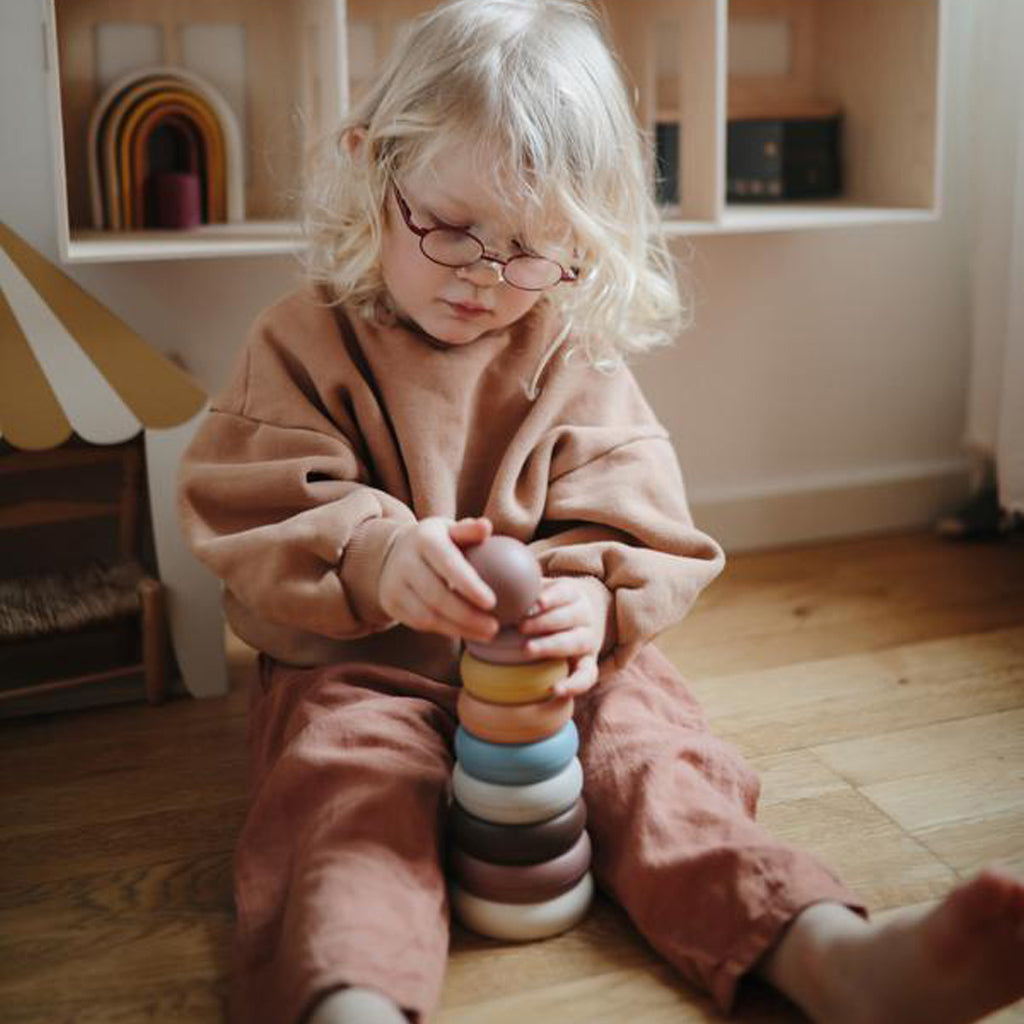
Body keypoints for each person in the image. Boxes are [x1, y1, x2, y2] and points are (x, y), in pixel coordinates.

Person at [177, 2, 1024, 1022]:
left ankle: (827, 951)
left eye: (533, 247)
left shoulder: (569, 356)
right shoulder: (300, 343)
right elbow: (251, 498)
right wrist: (377, 554)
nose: (486, 277)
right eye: (449, 228)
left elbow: (637, 518)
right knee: (342, 802)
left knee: (658, 764)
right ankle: (345, 996)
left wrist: (588, 598)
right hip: (362, 670)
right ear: (370, 167)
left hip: (555, 673)